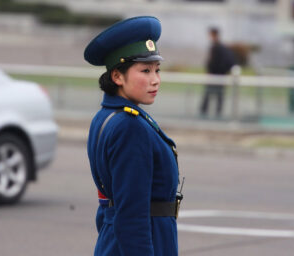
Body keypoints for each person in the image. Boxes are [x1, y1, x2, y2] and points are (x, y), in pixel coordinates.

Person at [84, 16, 182, 256]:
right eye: (145, 70)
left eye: (157, 70)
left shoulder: (106, 116)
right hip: (144, 243)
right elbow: (131, 214)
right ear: (117, 76)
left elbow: (108, 206)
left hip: (115, 243)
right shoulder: (130, 126)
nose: (155, 80)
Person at [200, 27, 236, 118]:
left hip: (216, 75)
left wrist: (211, 71)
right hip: (219, 75)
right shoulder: (220, 46)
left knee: (211, 94)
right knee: (218, 95)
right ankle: (215, 112)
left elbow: (215, 62)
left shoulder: (217, 47)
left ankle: (206, 112)